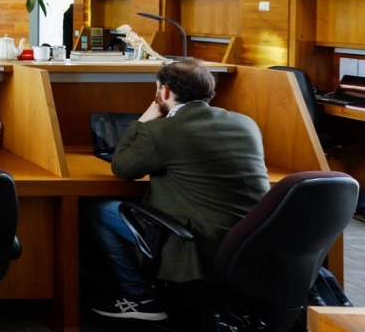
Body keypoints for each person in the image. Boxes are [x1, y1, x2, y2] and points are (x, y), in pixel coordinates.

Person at [83, 59, 269, 321]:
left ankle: (141, 296)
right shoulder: (245, 123)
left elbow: (121, 167)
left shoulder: (162, 131)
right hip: (253, 240)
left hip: (198, 243)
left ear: (165, 92)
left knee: (95, 209)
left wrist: (145, 118)